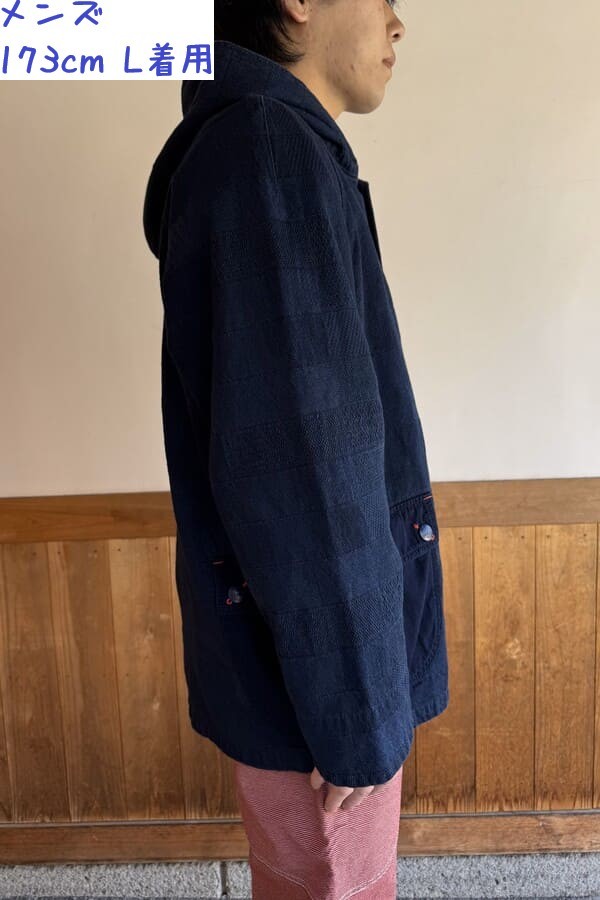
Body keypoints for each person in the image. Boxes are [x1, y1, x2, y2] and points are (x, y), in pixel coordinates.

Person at [143, 1, 449, 896]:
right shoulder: (268, 152)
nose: (398, 23)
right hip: (320, 680)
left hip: (307, 663)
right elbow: (308, 464)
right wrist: (356, 713)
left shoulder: (267, 147)